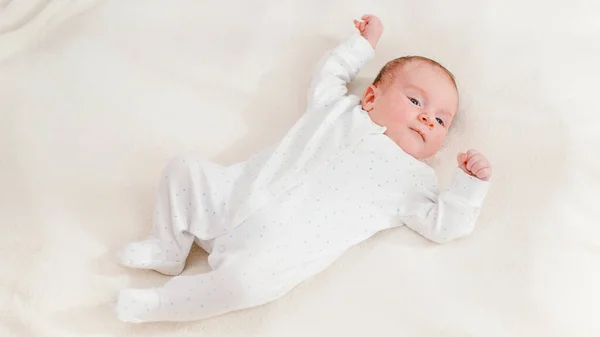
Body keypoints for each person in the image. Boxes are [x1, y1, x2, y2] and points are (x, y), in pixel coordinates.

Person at [115, 14, 492, 323]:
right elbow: (329, 75)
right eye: (416, 101)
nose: (428, 119)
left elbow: (444, 225)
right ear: (372, 97)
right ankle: (168, 247)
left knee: (245, 286)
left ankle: (160, 305)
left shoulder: (415, 180)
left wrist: (469, 186)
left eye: (442, 121)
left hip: (271, 252)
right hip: (231, 194)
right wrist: (362, 45)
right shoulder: (338, 109)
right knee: (184, 168)